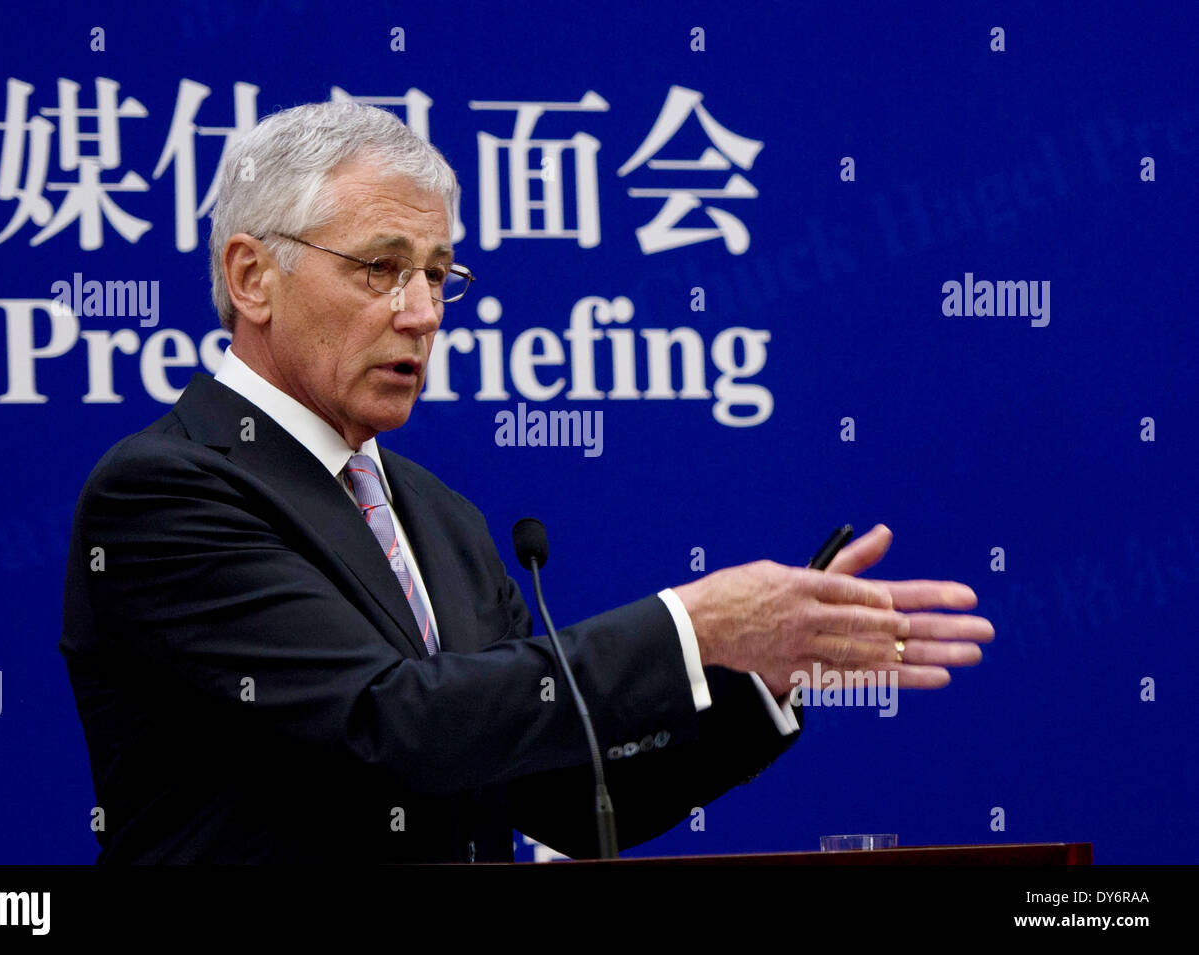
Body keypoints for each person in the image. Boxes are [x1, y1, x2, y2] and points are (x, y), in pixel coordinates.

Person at [59, 101, 993, 863]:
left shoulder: (438, 519)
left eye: (437, 275)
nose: (422, 314)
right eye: (381, 270)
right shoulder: (165, 493)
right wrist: (691, 624)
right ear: (253, 277)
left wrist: (756, 675)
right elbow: (389, 722)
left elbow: (567, 800)